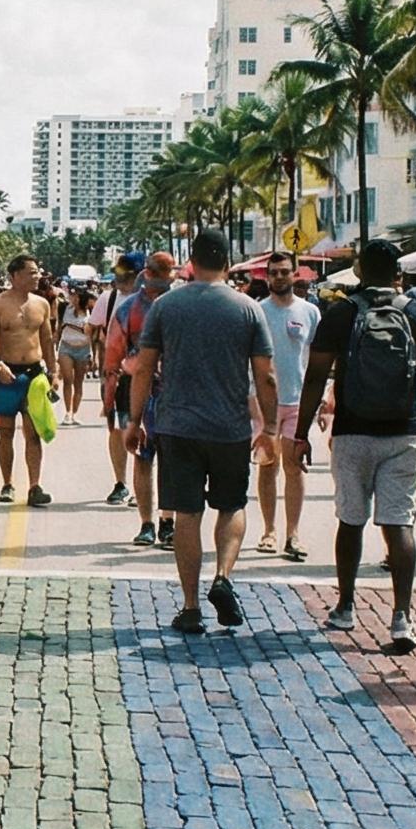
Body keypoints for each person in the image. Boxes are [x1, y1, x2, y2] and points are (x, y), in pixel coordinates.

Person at [296, 238, 416, 653]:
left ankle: (346, 605)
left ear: (360, 271)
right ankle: (402, 616)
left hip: (352, 430)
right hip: (403, 433)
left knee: (351, 520)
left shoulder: (342, 312)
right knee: (399, 524)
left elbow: (315, 377)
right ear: (398, 273)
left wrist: (301, 433)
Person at [127, 230, 278, 634]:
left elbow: (143, 368)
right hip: (229, 428)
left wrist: (134, 420)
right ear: (227, 262)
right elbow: (266, 376)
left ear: (190, 263)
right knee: (231, 507)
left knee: (187, 514)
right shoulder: (248, 308)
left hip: (177, 426)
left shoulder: (166, 306)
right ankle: (223, 577)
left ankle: (191, 607)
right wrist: (271, 427)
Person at [254, 251, 321, 563]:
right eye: (274, 272)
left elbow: (318, 361)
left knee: (294, 467)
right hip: (264, 402)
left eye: (284, 272)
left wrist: (321, 402)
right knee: (268, 465)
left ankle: (293, 533)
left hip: (297, 401)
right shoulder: (256, 311)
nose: (279, 277)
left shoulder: (310, 312)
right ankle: (268, 530)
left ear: (296, 274)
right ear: (267, 276)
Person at [111, 252, 180, 548]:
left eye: (170, 274)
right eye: (162, 274)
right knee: (141, 456)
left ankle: (167, 520)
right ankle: (147, 523)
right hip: (137, 388)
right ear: (148, 274)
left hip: (174, 392)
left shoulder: (180, 306)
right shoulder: (129, 309)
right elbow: (113, 353)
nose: (167, 280)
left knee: (171, 459)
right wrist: (110, 392)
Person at [0, 254, 55, 506]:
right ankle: (7, 483)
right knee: (6, 431)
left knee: (33, 432)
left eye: (37, 272)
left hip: (34, 373)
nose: (37, 276)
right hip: (7, 373)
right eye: (31, 272)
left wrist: (53, 373)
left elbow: (47, 340)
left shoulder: (42, 304)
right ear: (14, 276)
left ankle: (35, 486)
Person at [95, 254, 143, 509]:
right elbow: (95, 328)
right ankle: (120, 483)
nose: (120, 278)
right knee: (116, 429)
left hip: (146, 378)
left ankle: (141, 488)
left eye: (127, 273)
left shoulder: (154, 301)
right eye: (119, 272)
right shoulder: (109, 298)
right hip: (116, 377)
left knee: (142, 430)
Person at [56, 278, 94, 418]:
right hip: (66, 347)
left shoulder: (90, 311)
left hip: (83, 349)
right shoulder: (64, 308)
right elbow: (58, 329)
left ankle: (75, 413)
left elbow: (91, 333)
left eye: (77, 295)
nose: (74, 297)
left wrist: (93, 356)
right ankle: (67, 411)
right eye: (72, 294)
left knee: (78, 382)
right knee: (67, 380)